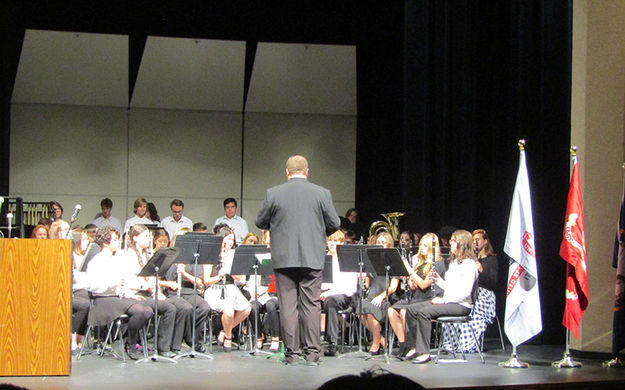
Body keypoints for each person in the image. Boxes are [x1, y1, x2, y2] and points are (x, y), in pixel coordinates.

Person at [255, 155, 340, 365]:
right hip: (312, 257)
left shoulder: (273, 193)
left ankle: (291, 354)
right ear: (307, 171)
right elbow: (335, 223)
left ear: (287, 172)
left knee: (288, 307)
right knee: (311, 306)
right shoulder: (322, 193)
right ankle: (312, 354)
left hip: (284, 258)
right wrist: (318, 231)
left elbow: (260, 221)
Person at [404, 229, 478, 364]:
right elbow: (450, 287)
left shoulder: (469, 264)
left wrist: (444, 300)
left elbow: (465, 293)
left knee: (424, 312)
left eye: (453, 240)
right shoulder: (455, 262)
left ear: (461, 243)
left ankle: (424, 352)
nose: (450, 243)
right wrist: (438, 280)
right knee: (411, 309)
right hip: (450, 301)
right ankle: (414, 346)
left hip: (461, 305)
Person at [84, 227, 154, 360]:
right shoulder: (97, 261)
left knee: (148, 311)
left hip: (117, 298)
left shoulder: (116, 259)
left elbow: (123, 284)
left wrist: (128, 294)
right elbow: (91, 285)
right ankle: (131, 343)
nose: (118, 242)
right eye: (115, 240)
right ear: (105, 243)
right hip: (103, 300)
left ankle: (128, 339)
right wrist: (111, 283)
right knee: (139, 311)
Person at [441, 228, 498, 352]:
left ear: (486, 241)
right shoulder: (466, 260)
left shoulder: (491, 260)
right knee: (455, 305)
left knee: (475, 312)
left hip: (483, 295)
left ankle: (467, 344)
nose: (475, 243)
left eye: (478, 240)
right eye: (473, 240)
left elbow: (493, 282)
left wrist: (481, 270)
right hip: (469, 294)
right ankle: (451, 343)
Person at [388, 233, 439, 358]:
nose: (421, 248)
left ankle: (414, 345)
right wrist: (409, 279)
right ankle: (403, 343)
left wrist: (410, 271)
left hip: (426, 299)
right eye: (421, 245)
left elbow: (423, 285)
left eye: (425, 246)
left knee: (405, 312)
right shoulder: (419, 263)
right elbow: (413, 288)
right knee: (391, 311)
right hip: (415, 298)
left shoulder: (435, 264)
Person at [202, 225, 251, 352]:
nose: (230, 243)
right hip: (215, 289)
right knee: (228, 311)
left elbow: (240, 278)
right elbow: (206, 281)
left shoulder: (233, 255)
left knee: (247, 309)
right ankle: (228, 337)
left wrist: (232, 269)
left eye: (232, 240)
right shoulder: (210, 255)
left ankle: (224, 332)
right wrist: (219, 275)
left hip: (230, 288)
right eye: (228, 239)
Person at [359, 231, 400, 355]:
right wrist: (362, 276)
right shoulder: (372, 261)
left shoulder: (394, 262)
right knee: (361, 310)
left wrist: (381, 297)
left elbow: (393, 287)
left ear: (388, 244)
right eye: (378, 242)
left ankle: (375, 343)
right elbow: (367, 284)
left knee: (370, 311)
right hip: (372, 295)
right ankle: (381, 339)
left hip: (386, 297)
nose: (380, 244)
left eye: (383, 242)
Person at [321, 229, 358, 356]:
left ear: (341, 243)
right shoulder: (324, 259)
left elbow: (349, 287)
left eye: (335, 241)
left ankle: (333, 343)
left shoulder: (347, 260)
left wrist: (329, 292)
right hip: (325, 294)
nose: (331, 243)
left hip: (344, 296)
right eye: (330, 240)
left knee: (331, 302)